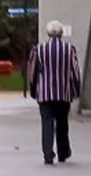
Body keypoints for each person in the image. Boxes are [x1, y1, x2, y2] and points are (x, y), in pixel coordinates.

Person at [27, 21, 82, 164]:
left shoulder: (38, 50)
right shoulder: (69, 49)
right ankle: (63, 152)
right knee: (62, 123)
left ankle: (48, 154)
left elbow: (32, 72)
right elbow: (75, 72)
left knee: (47, 123)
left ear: (48, 33)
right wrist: (76, 89)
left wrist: (33, 90)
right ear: (61, 33)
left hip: (44, 93)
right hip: (63, 93)